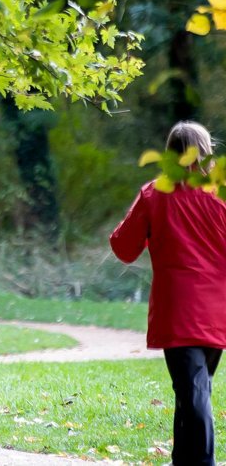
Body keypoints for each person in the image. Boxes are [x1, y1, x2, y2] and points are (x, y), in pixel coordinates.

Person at [111, 121, 226, 466]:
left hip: (178, 310)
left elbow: (122, 247)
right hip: (218, 311)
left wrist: (153, 232)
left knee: (194, 393)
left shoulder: (153, 194)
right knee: (191, 391)